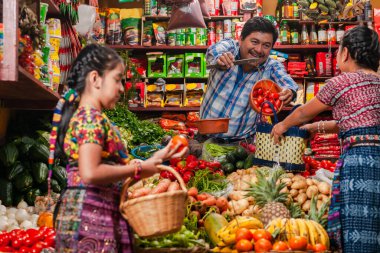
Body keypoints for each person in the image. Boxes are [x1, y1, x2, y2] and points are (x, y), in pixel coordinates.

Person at [49, 44, 187, 252]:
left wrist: (155, 158)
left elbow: (103, 167)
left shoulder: (90, 117)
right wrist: (138, 169)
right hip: (90, 217)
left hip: (91, 211)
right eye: (117, 79)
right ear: (95, 79)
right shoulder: (90, 118)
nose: (122, 88)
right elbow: (90, 172)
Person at [271, 26, 380, 253]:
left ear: (346, 53)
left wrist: (282, 125)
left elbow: (303, 112)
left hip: (360, 162)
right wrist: (316, 127)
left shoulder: (340, 82)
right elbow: (356, 122)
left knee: (359, 223)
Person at [200, 17, 298, 143]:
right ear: (241, 39)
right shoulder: (230, 48)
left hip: (241, 144)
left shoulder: (271, 66)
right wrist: (220, 58)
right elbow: (214, 50)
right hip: (204, 137)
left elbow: (288, 83)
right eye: (254, 42)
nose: (258, 50)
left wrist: (290, 92)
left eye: (266, 45)